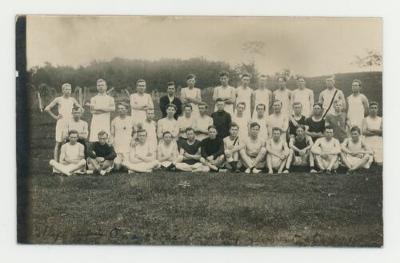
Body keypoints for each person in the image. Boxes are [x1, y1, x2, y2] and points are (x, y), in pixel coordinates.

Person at [44, 83, 83, 161]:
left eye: (69, 89)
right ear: (62, 90)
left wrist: (77, 115)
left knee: (68, 142)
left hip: (71, 123)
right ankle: (55, 162)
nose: (68, 91)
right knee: (59, 142)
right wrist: (55, 117)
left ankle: (66, 161)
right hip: (61, 122)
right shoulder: (58, 99)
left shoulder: (72, 99)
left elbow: (81, 109)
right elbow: (47, 108)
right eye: (66, 89)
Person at [110, 102, 135, 170]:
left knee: (126, 167)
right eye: (119, 108)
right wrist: (111, 142)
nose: (120, 110)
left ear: (127, 110)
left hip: (128, 145)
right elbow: (112, 134)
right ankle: (119, 163)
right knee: (117, 168)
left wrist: (133, 139)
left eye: (122, 108)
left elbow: (136, 132)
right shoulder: (114, 120)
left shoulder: (131, 119)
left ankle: (125, 163)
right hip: (117, 145)